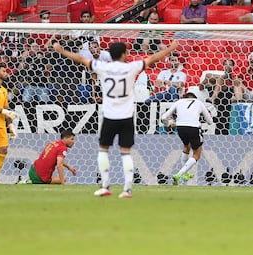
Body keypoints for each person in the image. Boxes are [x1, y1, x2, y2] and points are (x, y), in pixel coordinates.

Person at [52, 40, 179, 198]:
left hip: (110, 117)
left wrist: (61, 50)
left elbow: (80, 59)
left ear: (110, 54)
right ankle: (127, 189)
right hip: (126, 117)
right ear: (125, 54)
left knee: (103, 151)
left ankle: (105, 186)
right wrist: (171, 48)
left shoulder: (103, 67)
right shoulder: (131, 67)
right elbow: (153, 58)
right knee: (126, 152)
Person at [161, 92, 213, 185]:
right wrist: (210, 116)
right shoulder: (199, 103)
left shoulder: (179, 102)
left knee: (187, 146)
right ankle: (178, 174)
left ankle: (186, 174)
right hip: (193, 127)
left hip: (180, 128)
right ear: (195, 98)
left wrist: (168, 124)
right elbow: (210, 121)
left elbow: (163, 117)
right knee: (197, 154)